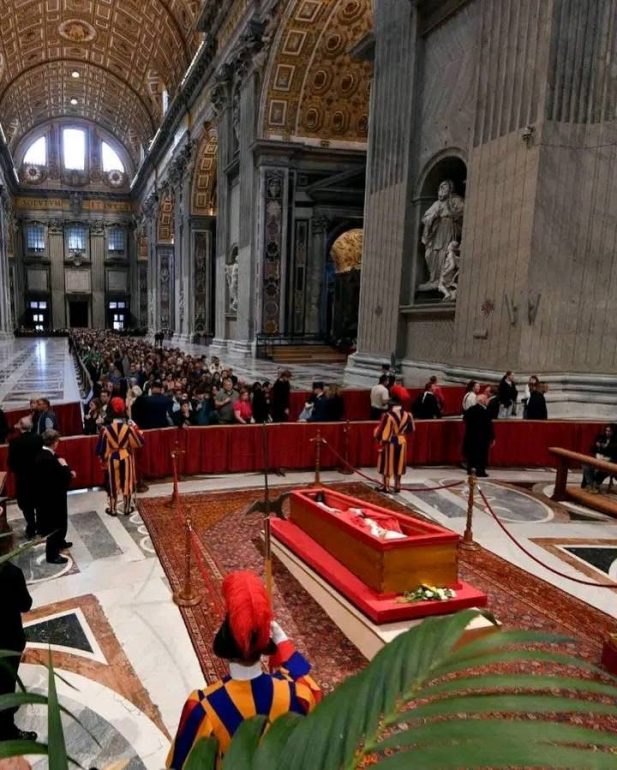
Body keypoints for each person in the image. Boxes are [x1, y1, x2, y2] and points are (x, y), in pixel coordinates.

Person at [167, 571, 321, 768]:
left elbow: (181, 765)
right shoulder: (298, 694)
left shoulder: (203, 708)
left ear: (224, 641)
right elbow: (313, 690)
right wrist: (284, 643)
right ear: (266, 642)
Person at [0, 533, 37, 743]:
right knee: (5, 682)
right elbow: (25, 604)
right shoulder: (11, 573)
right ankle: (6, 731)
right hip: (7, 638)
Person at [97, 399, 145, 516]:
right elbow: (140, 442)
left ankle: (113, 509)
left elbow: (102, 449)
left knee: (113, 483)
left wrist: (104, 459)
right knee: (127, 482)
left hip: (113, 457)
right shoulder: (128, 428)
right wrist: (134, 426)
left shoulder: (106, 429)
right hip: (125, 456)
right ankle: (127, 508)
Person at [34, 430, 75, 564]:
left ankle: (60, 542)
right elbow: (61, 477)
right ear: (53, 442)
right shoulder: (47, 459)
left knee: (60, 522)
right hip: (52, 498)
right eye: (57, 441)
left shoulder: (45, 454)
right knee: (55, 525)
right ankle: (52, 555)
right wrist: (66, 467)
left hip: (51, 496)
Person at [7, 417, 43, 539]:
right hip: (38, 477)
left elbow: (11, 463)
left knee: (26, 505)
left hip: (23, 478)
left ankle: (31, 527)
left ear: (20, 426)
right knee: (39, 502)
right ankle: (41, 527)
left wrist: (18, 471)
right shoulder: (39, 439)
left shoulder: (14, 442)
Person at [373, 396, 415, 494]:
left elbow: (382, 430)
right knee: (399, 464)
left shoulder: (387, 415)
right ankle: (397, 485)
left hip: (390, 440)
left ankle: (386, 486)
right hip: (401, 440)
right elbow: (411, 429)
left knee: (387, 464)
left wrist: (378, 438)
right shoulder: (408, 415)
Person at [462, 392, 495, 477]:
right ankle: (480, 471)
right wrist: (492, 437)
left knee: (471, 454)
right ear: (482, 401)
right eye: (486, 399)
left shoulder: (471, 409)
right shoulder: (485, 411)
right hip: (482, 438)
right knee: (481, 455)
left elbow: (464, 419)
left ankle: (470, 470)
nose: (487, 401)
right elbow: (489, 426)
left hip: (471, 436)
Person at [581, 424, 617, 492]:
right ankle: (590, 484)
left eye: (609, 431)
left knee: (601, 469)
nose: (607, 432)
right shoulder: (601, 437)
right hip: (598, 458)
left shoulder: (615, 440)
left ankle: (596, 484)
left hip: (610, 461)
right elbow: (592, 449)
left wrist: (608, 456)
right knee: (585, 464)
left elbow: (614, 453)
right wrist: (597, 447)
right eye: (606, 431)